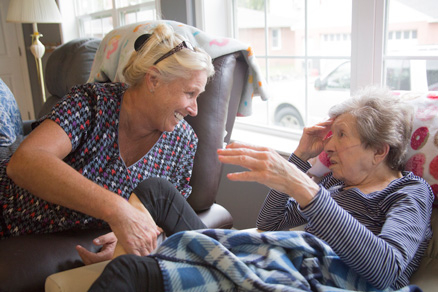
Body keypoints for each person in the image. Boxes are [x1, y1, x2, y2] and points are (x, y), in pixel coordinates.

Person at [89, 86, 432, 291]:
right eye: (331, 134)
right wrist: (297, 159)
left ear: (379, 151)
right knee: (156, 190)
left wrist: (301, 186)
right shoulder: (333, 185)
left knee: (129, 273)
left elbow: (387, 270)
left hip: (308, 277)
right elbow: (270, 223)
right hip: (275, 258)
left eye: (341, 135)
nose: (328, 146)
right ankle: (131, 237)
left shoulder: (408, 193)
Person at [0, 23, 214, 262]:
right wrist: (117, 210)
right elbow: (24, 163)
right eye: (189, 93)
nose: (194, 110)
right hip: (10, 215)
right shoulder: (91, 103)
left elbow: (167, 217)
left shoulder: (183, 142)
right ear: (153, 80)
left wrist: (129, 239)